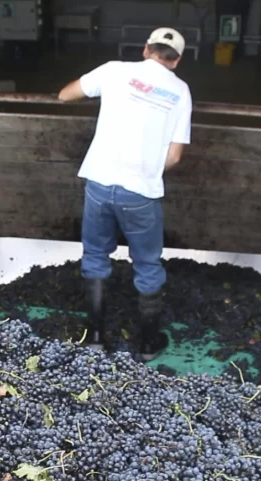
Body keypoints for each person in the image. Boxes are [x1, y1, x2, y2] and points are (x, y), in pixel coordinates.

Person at [57, 27, 193, 360]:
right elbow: (174, 156)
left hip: (100, 183)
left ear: (147, 49)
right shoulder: (181, 91)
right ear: (177, 60)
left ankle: (97, 339)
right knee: (147, 263)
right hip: (140, 192)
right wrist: (144, 170)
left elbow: (65, 95)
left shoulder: (114, 70)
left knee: (95, 257)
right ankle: (147, 345)